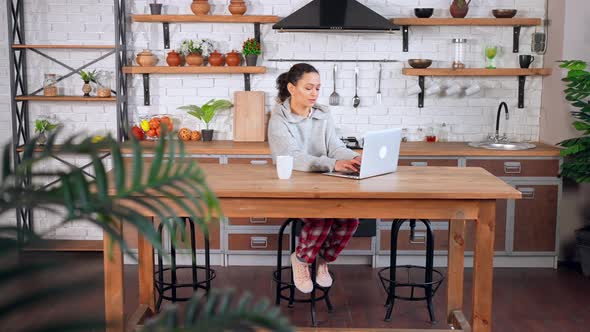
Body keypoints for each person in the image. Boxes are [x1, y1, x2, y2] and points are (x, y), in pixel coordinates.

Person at [268, 63, 361, 293]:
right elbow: (293, 157)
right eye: (308, 88)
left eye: (318, 88)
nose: (314, 93)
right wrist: (333, 164)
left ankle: (322, 259)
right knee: (322, 219)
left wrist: (355, 158)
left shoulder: (323, 113)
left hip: (324, 185)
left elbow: (335, 146)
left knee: (350, 219)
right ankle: (301, 259)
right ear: (291, 88)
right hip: (293, 187)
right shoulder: (279, 119)